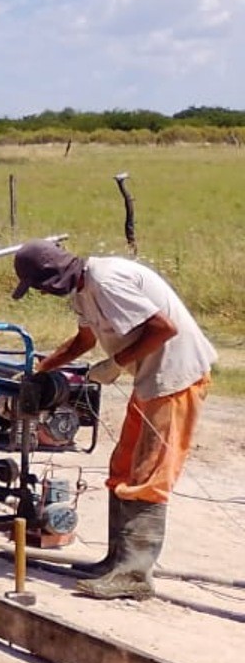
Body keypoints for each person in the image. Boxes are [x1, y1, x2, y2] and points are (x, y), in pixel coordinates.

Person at [11, 239, 215, 600]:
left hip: (175, 377)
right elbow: (83, 341)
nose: (41, 294)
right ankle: (117, 561)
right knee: (123, 464)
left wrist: (116, 363)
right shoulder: (84, 289)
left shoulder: (107, 280)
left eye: (39, 287)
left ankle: (135, 575)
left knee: (149, 473)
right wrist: (40, 369)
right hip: (150, 379)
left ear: (51, 278)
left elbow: (163, 328)